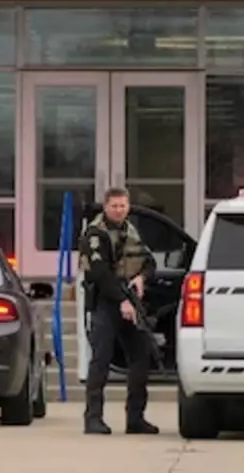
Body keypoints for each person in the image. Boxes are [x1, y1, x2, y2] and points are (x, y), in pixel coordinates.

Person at [79, 187, 159, 436]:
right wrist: (122, 300)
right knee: (101, 360)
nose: (118, 210)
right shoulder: (95, 234)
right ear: (106, 207)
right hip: (105, 302)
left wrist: (141, 279)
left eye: (123, 205)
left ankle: (135, 418)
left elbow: (149, 262)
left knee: (141, 356)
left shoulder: (131, 231)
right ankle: (93, 418)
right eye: (114, 206)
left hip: (129, 299)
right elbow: (100, 273)